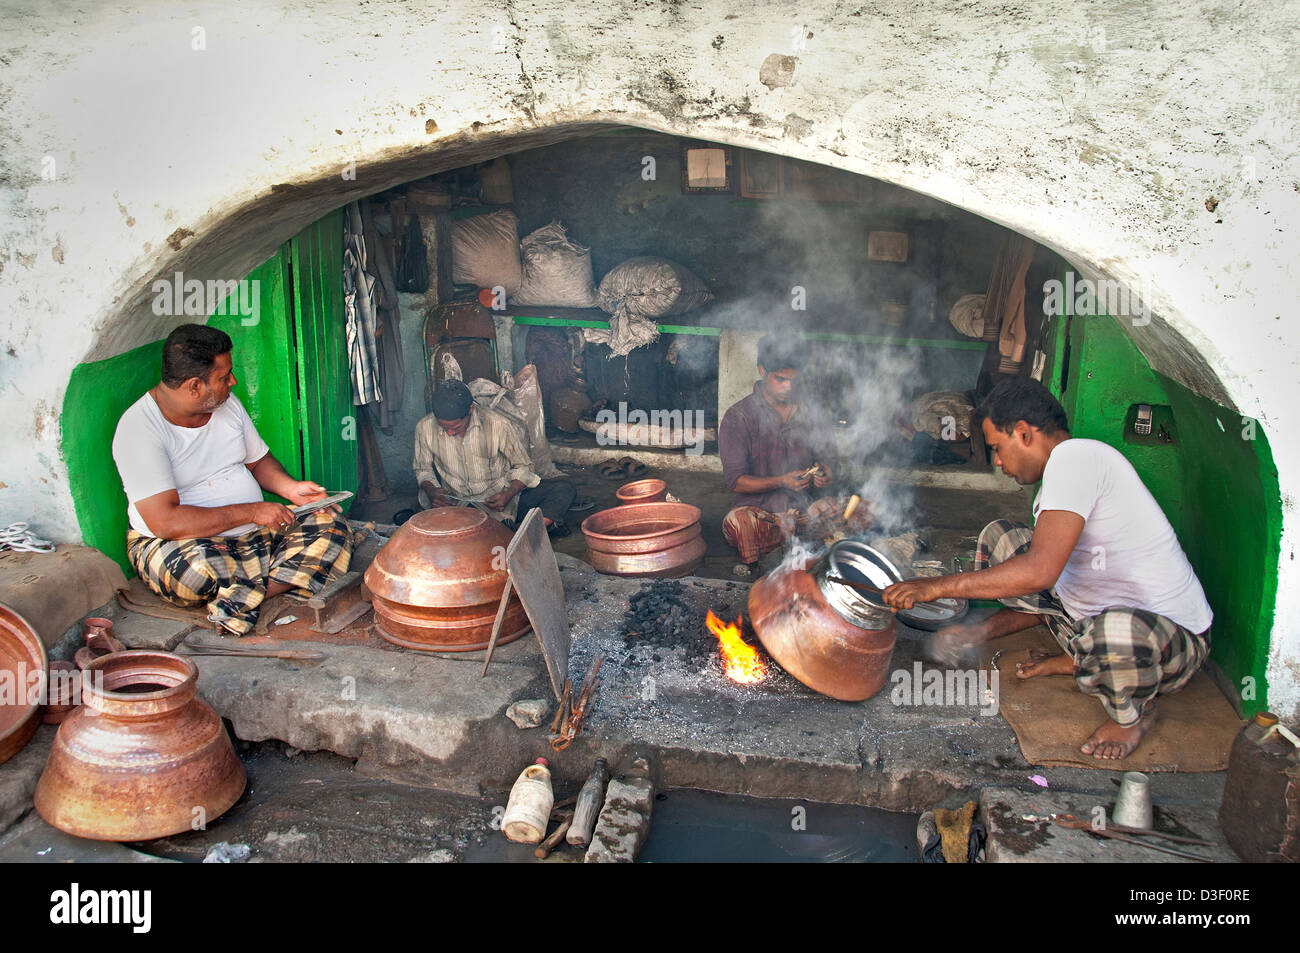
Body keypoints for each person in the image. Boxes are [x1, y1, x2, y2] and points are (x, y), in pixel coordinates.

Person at [882, 377, 1213, 761]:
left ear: (1023, 433)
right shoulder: (1063, 473)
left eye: (997, 449)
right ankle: (1081, 657)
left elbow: (1040, 573)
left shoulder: (1078, 458)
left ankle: (1133, 717)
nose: (999, 463)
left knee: (1113, 631)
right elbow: (1054, 589)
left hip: (1170, 643)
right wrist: (981, 631)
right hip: (1092, 617)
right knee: (1001, 539)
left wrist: (936, 587)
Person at [111, 324, 354, 637]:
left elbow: (258, 461)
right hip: (184, 544)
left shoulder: (226, 405)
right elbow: (164, 523)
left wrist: (289, 488)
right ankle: (268, 582)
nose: (233, 382)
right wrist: (253, 512)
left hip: (255, 537)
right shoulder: (139, 430)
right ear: (195, 386)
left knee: (332, 528)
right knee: (192, 575)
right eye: (224, 377)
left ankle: (242, 594)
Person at [718, 334, 858, 575]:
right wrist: (781, 481)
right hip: (762, 515)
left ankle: (793, 542)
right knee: (739, 524)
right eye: (780, 379)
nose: (789, 387)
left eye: (795, 379)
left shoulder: (813, 413)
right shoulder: (739, 416)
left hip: (806, 510)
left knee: (860, 509)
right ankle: (806, 545)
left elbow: (830, 461)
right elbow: (735, 481)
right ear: (762, 370)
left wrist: (826, 473)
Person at [414, 379, 579, 537]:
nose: (449, 433)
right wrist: (432, 492)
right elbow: (423, 469)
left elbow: (524, 467)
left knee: (563, 489)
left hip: (499, 504)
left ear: (471, 409)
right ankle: (517, 532)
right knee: (419, 525)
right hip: (456, 506)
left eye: (455, 427)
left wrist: (508, 494)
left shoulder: (498, 425)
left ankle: (518, 535)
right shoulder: (425, 427)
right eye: (444, 427)